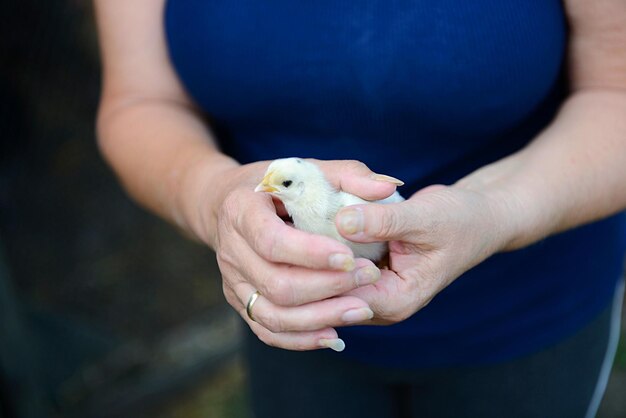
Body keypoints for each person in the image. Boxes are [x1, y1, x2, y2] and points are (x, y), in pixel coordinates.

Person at [94, 1, 626, 417]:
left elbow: (616, 92)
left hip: (527, 313)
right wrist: (215, 199)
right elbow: (140, 101)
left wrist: (495, 211)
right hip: (295, 319)